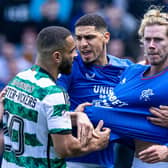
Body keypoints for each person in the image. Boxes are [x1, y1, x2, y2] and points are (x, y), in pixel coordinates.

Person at [1, 26, 110, 168]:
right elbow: (65, 148)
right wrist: (96, 143)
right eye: (71, 51)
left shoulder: (19, 79)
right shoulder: (54, 94)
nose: (76, 55)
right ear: (57, 56)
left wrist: (74, 116)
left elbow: (39, 117)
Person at [83, 7, 168, 168]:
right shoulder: (132, 71)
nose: (151, 45)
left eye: (158, 39)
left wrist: (167, 151)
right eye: (147, 39)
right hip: (130, 159)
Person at [57, 13, 134, 168]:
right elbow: (50, 109)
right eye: (78, 38)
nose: (83, 44)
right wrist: (75, 116)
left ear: (106, 37)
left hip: (109, 160)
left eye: (89, 37)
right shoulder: (69, 66)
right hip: (74, 160)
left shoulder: (125, 68)